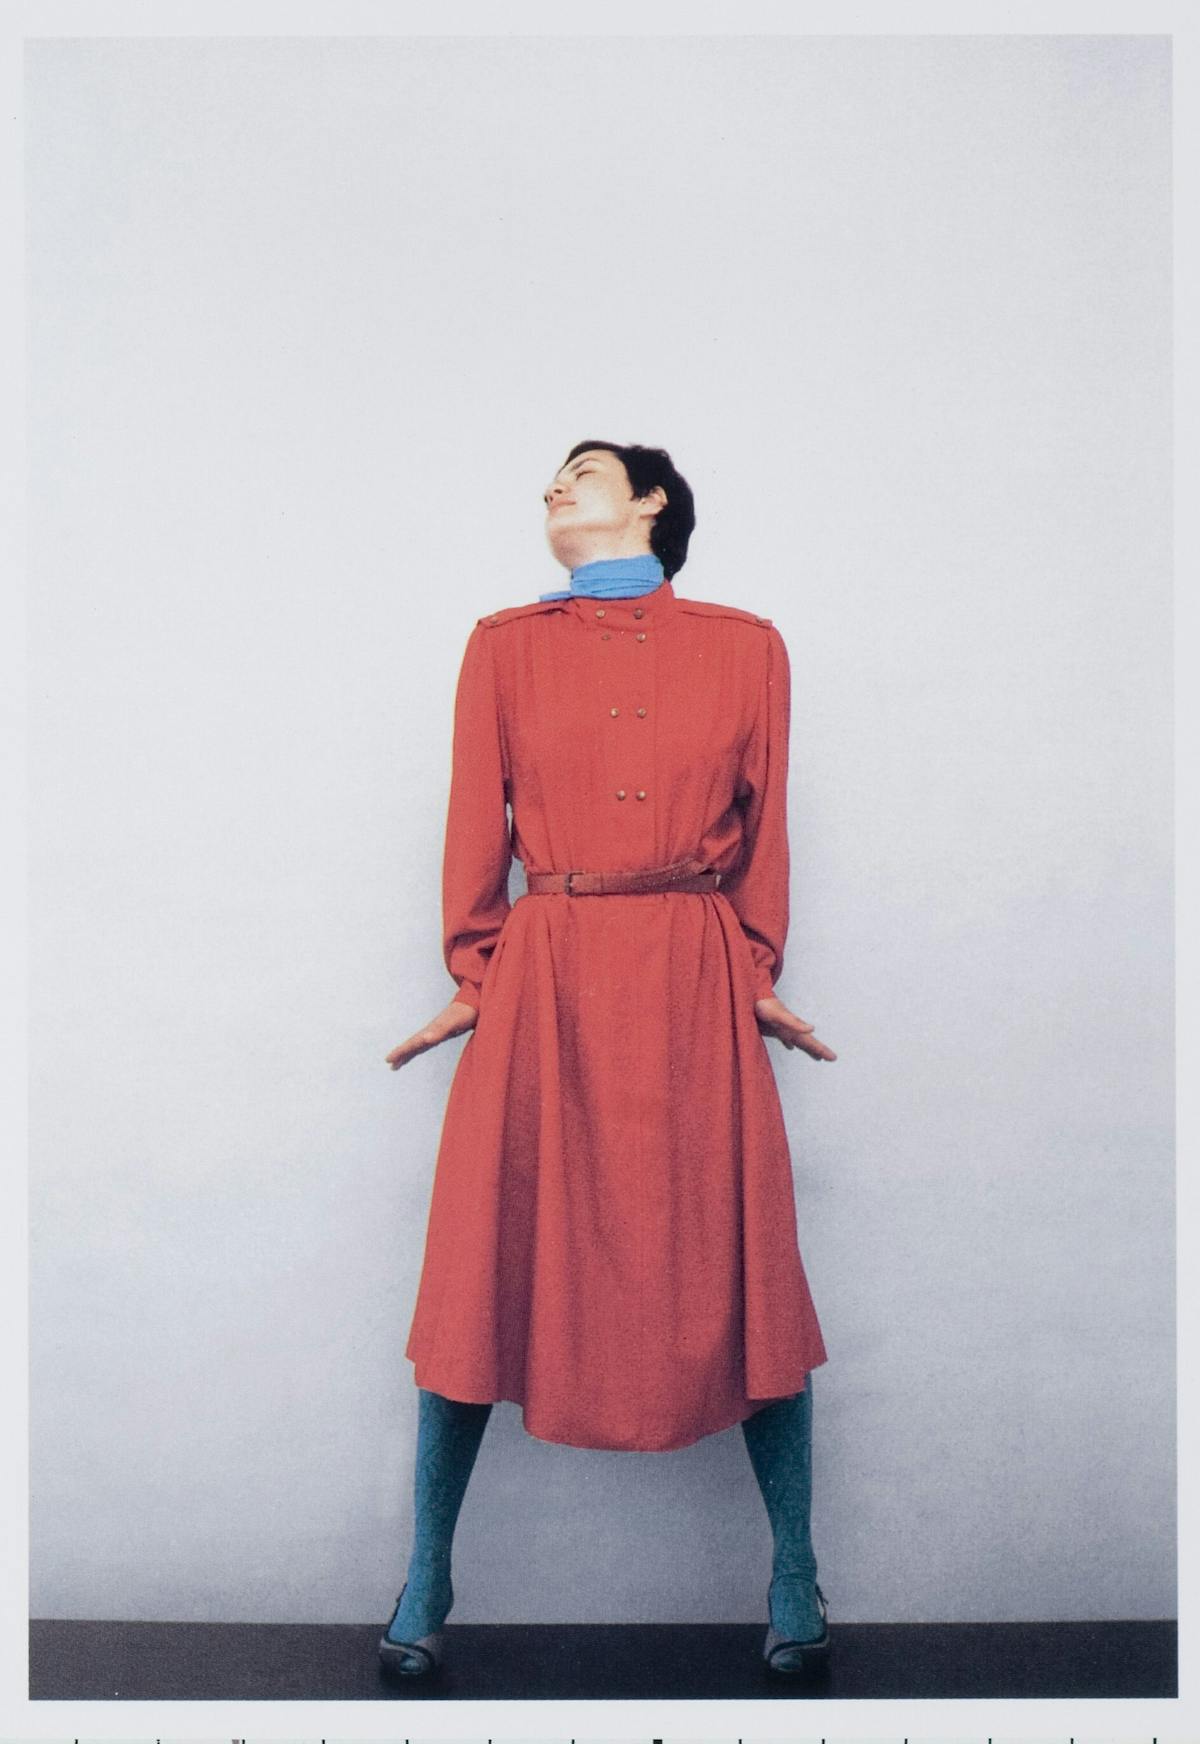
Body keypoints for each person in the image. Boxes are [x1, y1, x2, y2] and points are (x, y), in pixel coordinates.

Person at [378, 440, 837, 1682]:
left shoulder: (747, 646)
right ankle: (426, 1571)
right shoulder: (503, 646)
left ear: (652, 501)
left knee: (744, 1259)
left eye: (580, 472)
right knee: (481, 1258)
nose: (552, 488)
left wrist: (751, 972)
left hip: (690, 971)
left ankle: (796, 1571)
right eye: (549, 480)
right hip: (548, 973)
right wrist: (476, 975)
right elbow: (475, 821)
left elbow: (766, 830)